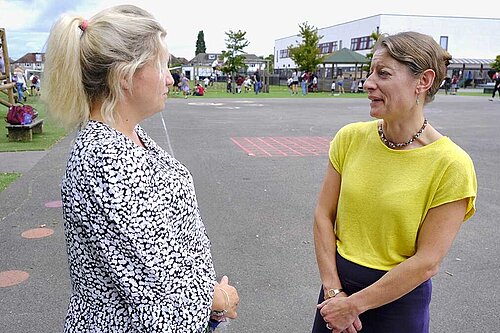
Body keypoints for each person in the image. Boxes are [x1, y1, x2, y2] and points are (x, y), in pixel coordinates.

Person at [41, 5, 239, 332]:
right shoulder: (105, 156)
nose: (170, 78)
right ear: (125, 75)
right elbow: (155, 283)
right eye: (161, 65)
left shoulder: (126, 135)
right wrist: (219, 299)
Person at [312, 31, 477, 333]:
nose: (368, 83)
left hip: (397, 305)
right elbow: (323, 215)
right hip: (336, 293)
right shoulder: (350, 138)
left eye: (383, 73)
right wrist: (334, 292)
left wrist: (353, 306)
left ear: (423, 81)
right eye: (370, 72)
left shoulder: (451, 164)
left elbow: (427, 261)